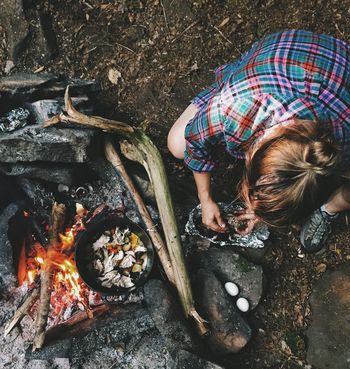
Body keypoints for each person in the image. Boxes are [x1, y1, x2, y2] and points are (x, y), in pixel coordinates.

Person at [167, 29, 350, 253]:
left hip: (335, 77)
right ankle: (240, 68)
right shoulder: (233, 107)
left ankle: (328, 209)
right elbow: (196, 141)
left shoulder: (341, 144)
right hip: (280, 54)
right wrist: (205, 199)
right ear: (252, 154)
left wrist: (262, 211)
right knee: (177, 144)